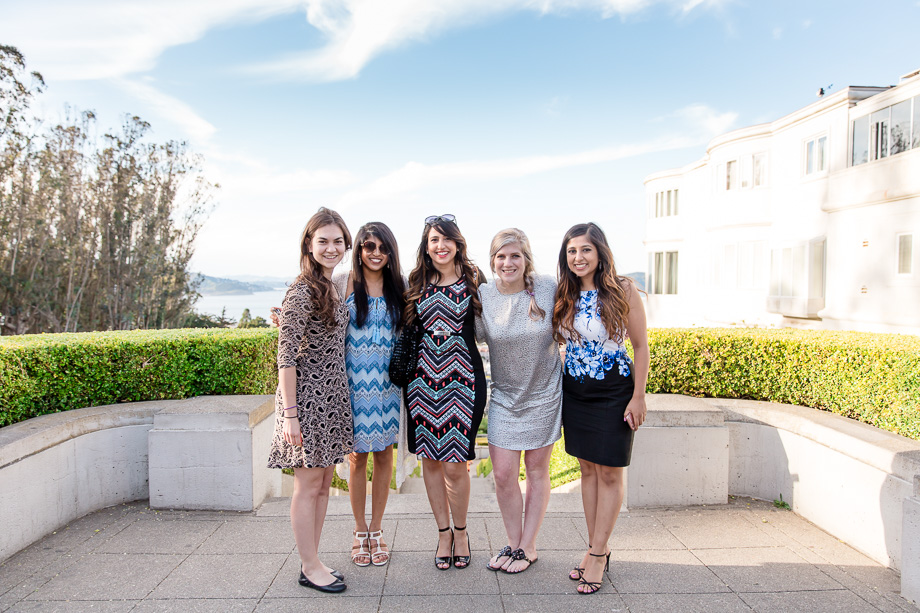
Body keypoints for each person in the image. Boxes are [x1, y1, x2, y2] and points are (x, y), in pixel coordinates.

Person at [552, 222, 649, 595]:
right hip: (575, 391)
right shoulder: (566, 292)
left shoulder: (623, 289)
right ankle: (598, 546)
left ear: (600, 252)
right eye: (572, 251)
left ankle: (596, 553)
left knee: (610, 473)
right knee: (588, 471)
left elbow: (640, 346)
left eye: (585, 250)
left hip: (614, 391)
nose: (578, 257)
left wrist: (638, 396)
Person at [266, 207, 352, 594]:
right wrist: (289, 417)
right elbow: (285, 356)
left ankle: (312, 560)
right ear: (309, 244)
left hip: (331, 398)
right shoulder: (302, 290)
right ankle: (309, 564)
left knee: (322, 485)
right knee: (308, 486)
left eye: (337, 241)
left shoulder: (329, 286)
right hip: (306, 403)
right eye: (323, 241)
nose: (331, 248)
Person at [404, 214, 486, 570]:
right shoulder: (416, 282)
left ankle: (462, 531)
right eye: (434, 240)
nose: (440, 246)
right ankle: (442, 533)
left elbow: (497, 314)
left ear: (457, 243)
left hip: (464, 381)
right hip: (421, 383)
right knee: (430, 463)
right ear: (426, 246)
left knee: (456, 466)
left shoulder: (474, 280)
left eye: (446, 239)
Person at [477, 228, 562, 574]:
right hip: (504, 397)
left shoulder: (547, 287)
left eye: (515, 255)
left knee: (537, 471)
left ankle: (528, 546)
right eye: (501, 256)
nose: (507, 262)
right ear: (492, 260)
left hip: (543, 394)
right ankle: (513, 543)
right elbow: (470, 334)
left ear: (526, 258)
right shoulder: (483, 293)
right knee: (503, 474)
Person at [338, 222, 409, 568]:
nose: (376, 253)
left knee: (384, 455)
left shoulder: (401, 287)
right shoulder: (345, 283)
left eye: (383, 247)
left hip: (388, 387)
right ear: (359, 250)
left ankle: (377, 529)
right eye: (369, 246)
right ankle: (358, 530)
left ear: (390, 252)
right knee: (356, 459)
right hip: (353, 386)